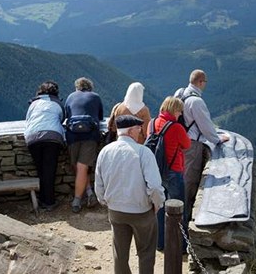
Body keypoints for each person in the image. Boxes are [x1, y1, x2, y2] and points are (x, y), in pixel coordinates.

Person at [95, 115, 165, 274]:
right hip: (142, 211)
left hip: (115, 211)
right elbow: (154, 186)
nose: (140, 131)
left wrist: (106, 202)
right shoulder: (143, 153)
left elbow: (99, 184)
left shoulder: (104, 152)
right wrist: (157, 204)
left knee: (120, 254)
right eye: (138, 128)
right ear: (131, 130)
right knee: (146, 253)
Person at [174, 69, 230, 222]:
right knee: (189, 182)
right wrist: (218, 139)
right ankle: (183, 219)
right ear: (200, 82)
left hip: (177, 142)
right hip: (192, 145)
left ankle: (172, 214)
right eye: (205, 82)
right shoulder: (196, 101)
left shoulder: (180, 93)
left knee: (177, 178)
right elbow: (206, 126)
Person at [147, 96, 191, 251]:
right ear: (174, 110)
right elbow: (187, 144)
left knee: (159, 206)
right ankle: (182, 245)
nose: (180, 115)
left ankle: (160, 243)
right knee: (179, 209)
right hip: (174, 172)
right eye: (180, 111)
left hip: (156, 171)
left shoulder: (151, 124)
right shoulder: (176, 127)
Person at [24, 81, 65, 212]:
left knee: (40, 169)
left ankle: (42, 199)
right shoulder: (58, 104)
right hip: (52, 137)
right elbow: (62, 119)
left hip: (32, 137)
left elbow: (28, 119)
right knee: (49, 170)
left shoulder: (33, 104)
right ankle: (49, 202)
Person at [65, 77, 104, 213]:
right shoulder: (95, 97)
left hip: (72, 135)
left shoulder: (70, 96)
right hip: (90, 136)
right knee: (82, 167)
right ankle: (85, 196)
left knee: (77, 166)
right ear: (90, 87)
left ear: (77, 87)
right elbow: (99, 117)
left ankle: (79, 198)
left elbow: (66, 115)